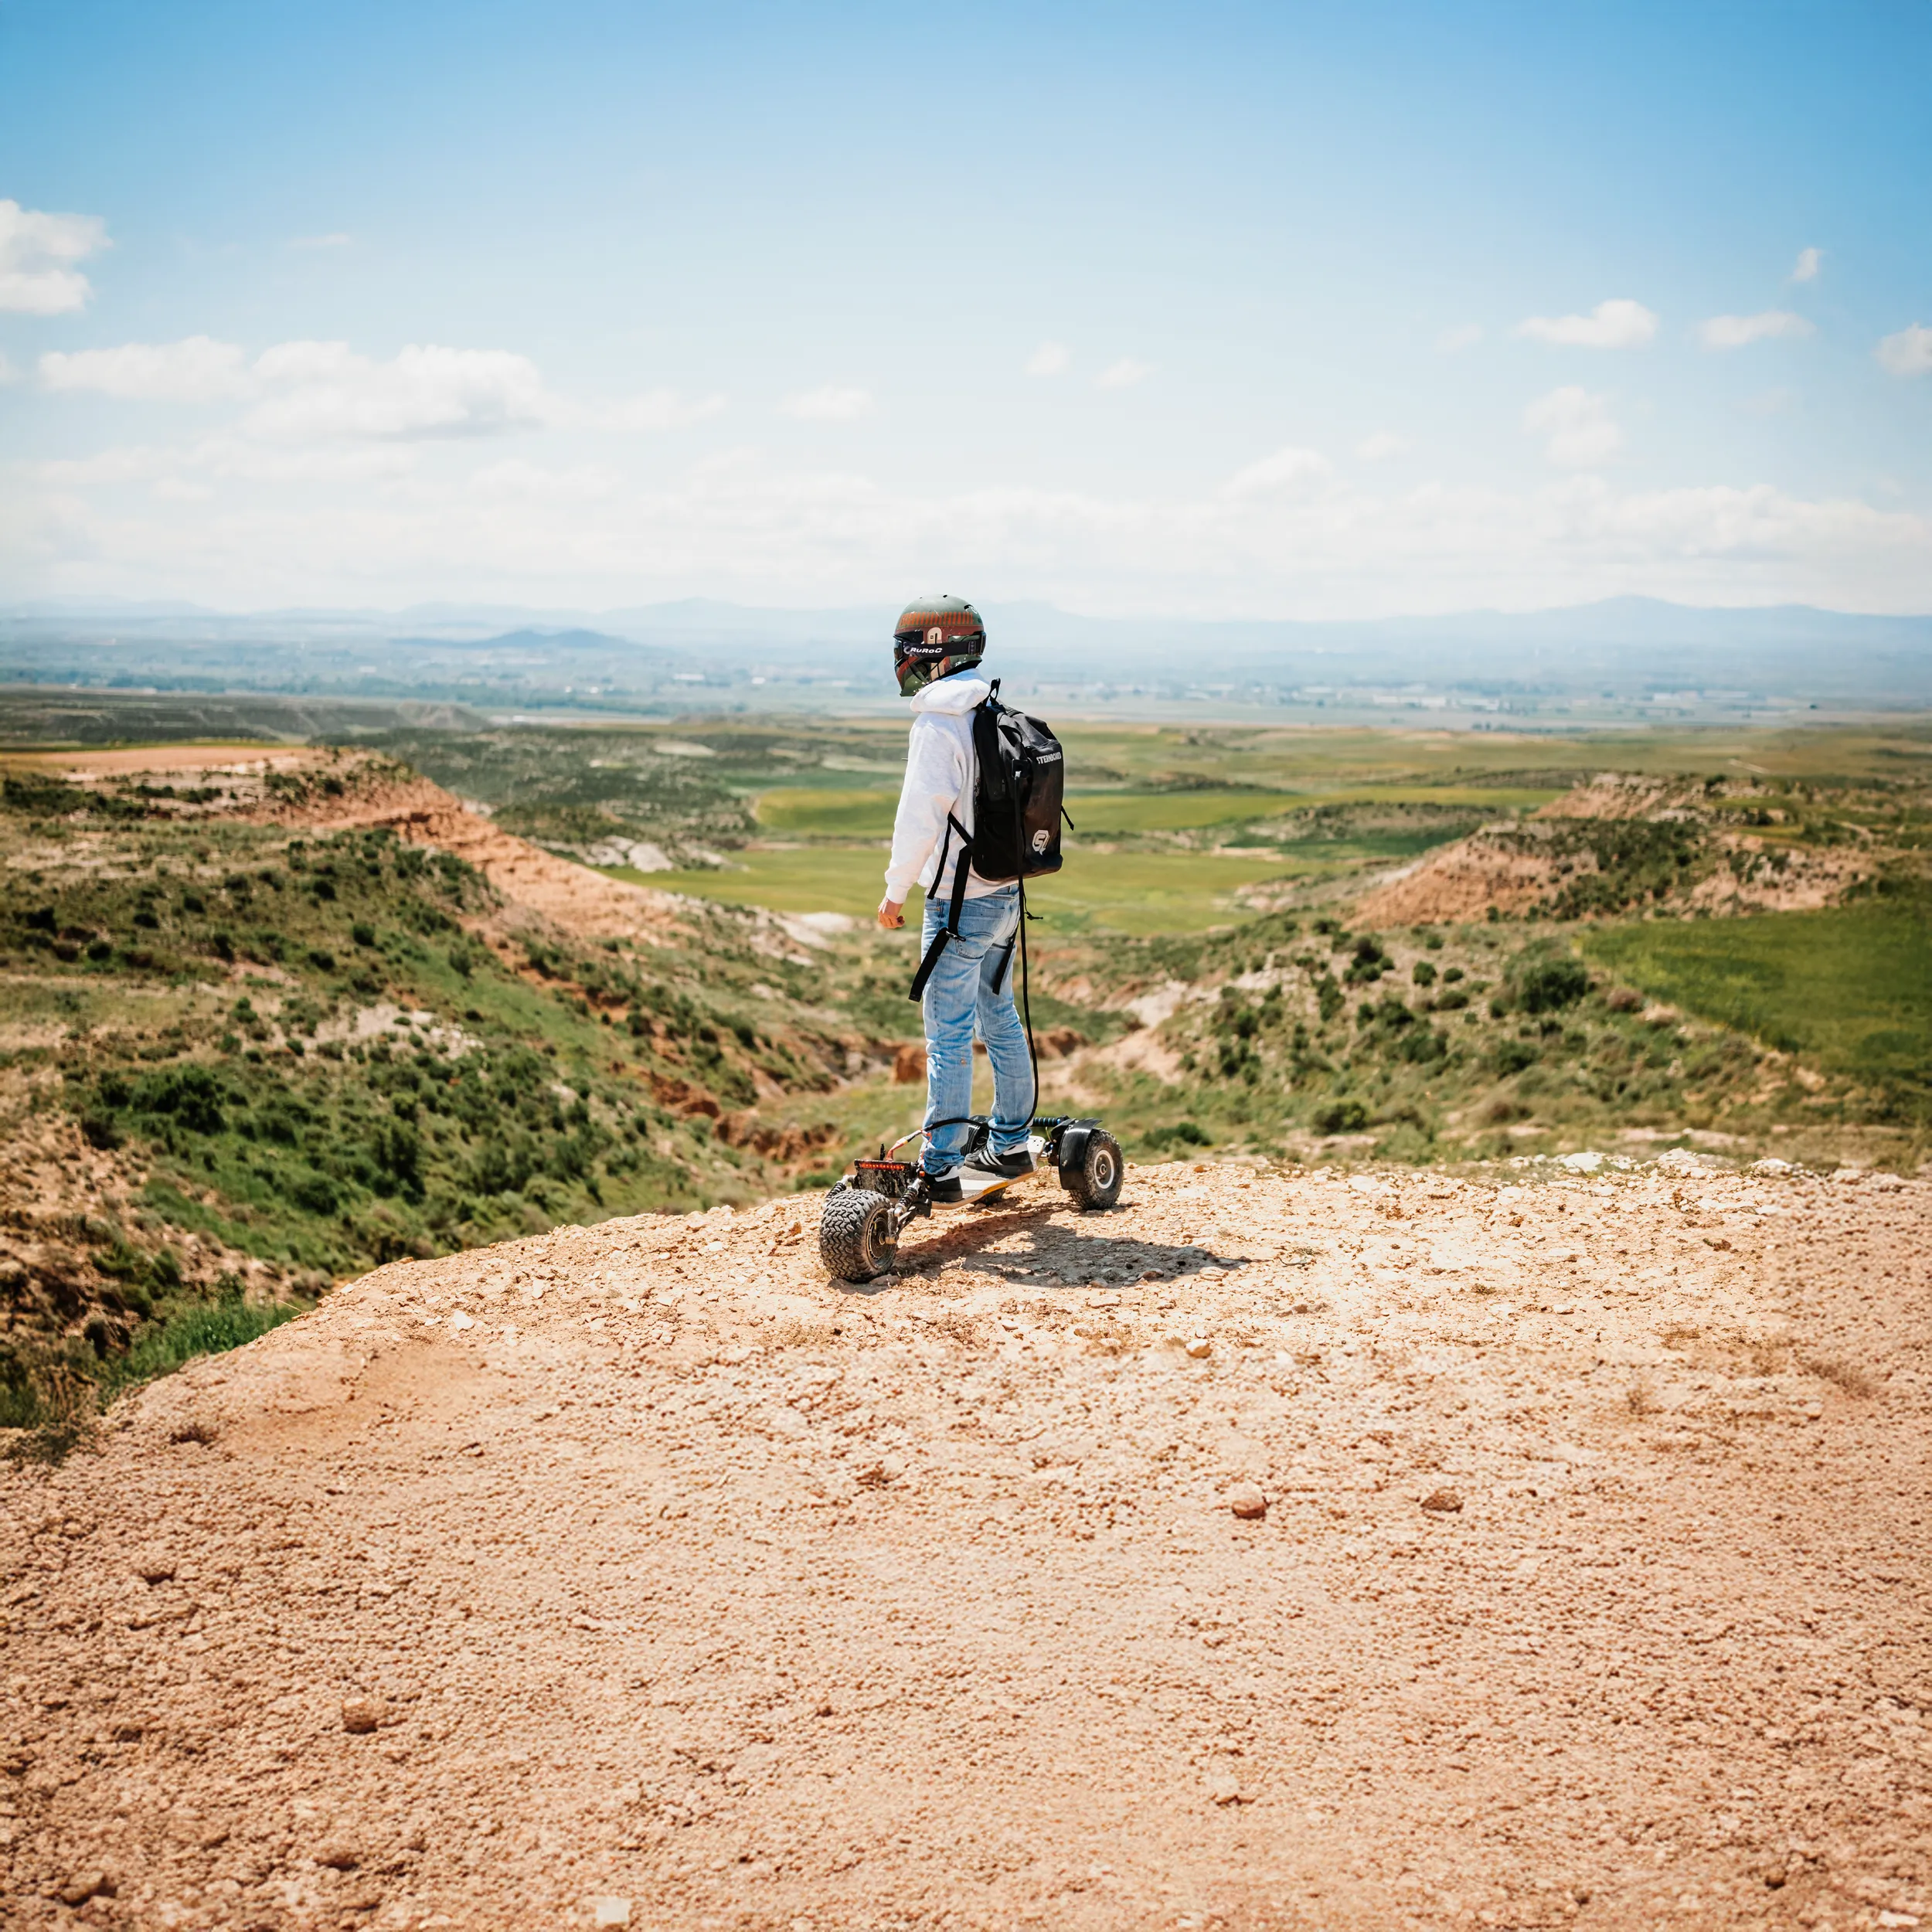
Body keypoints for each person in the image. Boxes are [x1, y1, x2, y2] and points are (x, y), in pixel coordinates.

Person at [876, 594, 1036, 1204]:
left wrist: (894, 894)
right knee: (1000, 1017)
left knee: (947, 1035)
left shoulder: (937, 725)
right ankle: (1012, 1141)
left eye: (912, 653)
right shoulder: (991, 710)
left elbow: (918, 820)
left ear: (934, 654)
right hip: (1004, 897)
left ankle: (940, 1166)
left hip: (958, 903)